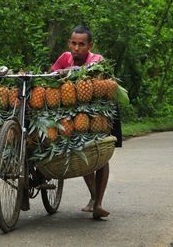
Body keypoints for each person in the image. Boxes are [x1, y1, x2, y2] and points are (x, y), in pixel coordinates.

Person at [51, 25, 120, 219]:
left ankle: (98, 202)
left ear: (89, 45)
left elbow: (94, 72)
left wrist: (70, 71)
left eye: (81, 44)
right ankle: (93, 196)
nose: (76, 48)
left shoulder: (97, 59)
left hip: (97, 114)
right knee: (84, 155)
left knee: (101, 155)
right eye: (73, 43)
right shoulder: (64, 58)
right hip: (73, 113)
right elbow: (52, 75)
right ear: (69, 42)